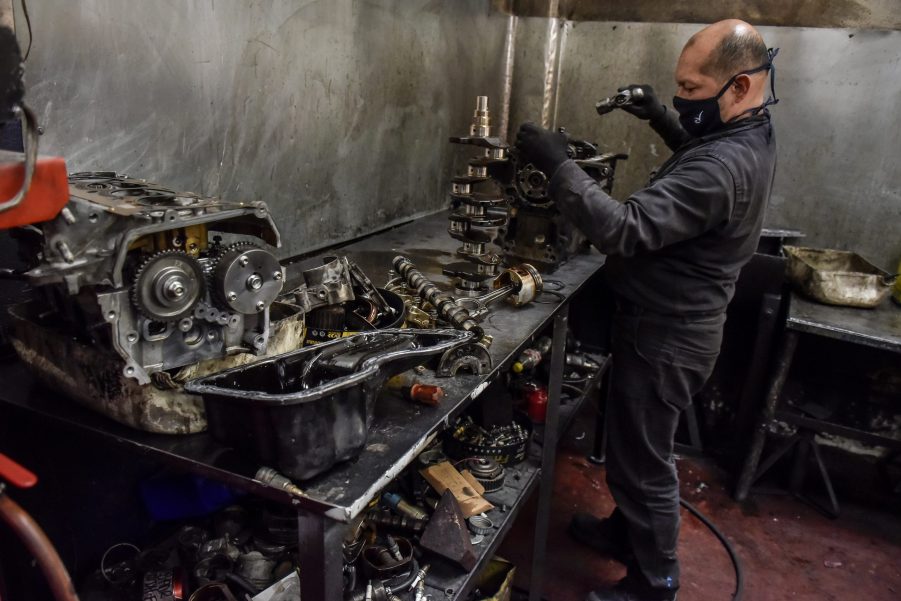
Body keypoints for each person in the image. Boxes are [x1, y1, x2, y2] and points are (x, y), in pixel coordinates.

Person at [514, 19, 779, 601]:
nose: (683, 99)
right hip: (666, 326)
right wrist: (660, 113)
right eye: (677, 88)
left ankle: (654, 581)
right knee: (634, 447)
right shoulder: (748, 132)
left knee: (644, 464)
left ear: (737, 86)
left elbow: (621, 228)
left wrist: (557, 164)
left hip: (665, 339)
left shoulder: (724, 168)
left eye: (690, 90)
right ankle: (622, 533)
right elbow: (699, 151)